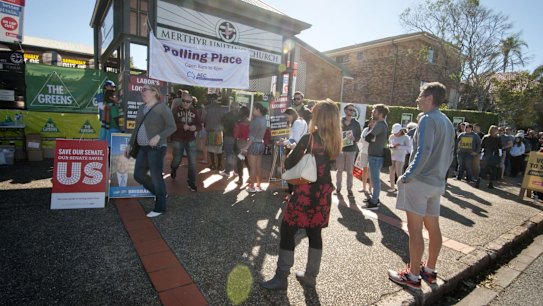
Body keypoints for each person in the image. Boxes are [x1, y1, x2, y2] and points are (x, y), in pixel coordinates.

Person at [260, 99, 342, 290]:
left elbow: (288, 164)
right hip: (323, 194)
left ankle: (281, 277)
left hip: (305, 192)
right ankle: (310, 276)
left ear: (320, 117)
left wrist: (291, 151)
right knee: (315, 233)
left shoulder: (309, 138)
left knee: (288, 229)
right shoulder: (336, 141)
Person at [388, 82, 455, 290]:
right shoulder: (447, 122)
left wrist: (407, 175)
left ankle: (414, 275)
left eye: (420, 95)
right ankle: (429, 269)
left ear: (428, 98)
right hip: (436, 182)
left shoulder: (427, 119)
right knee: (433, 227)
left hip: (420, 181)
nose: (417, 99)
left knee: (415, 229)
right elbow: (450, 155)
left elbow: (422, 151)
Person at [125, 84, 176, 218]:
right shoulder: (142, 108)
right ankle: (160, 194)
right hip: (143, 147)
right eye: (141, 90)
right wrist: (130, 144)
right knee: (138, 175)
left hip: (157, 147)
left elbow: (172, 127)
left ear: (154, 92)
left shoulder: (162, 107)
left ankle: (160, 207)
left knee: (156, 175)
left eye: (145, 89)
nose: (142, 92)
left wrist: (159, 136)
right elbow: (136, 128)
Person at [170, 90, 201, 192]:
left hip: (190, 139)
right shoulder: (175, 110)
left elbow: (199, 125)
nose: (186, 103)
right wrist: (181, 126)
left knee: (192, 162)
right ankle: (173, 169)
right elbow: (170, 124)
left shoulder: (194, 111)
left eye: (188, 102)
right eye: (184, 101)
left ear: (192, 102)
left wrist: (194, 128)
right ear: (181, 100)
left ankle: (191, 182)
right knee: (177, 160)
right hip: (178, 139)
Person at [361, 104, 389, 210]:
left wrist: (368, 136)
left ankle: (374, 202)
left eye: (375, 111)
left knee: (375, 180)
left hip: (376, 156)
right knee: (374, 178)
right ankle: (374, 199)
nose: (372, 112)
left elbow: (368, 137)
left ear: (381, 114)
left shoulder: (380, 125)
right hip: (375, 156)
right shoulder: (381, 124)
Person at [241, 102, 268, 193]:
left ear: (258, 109)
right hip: (261, 143)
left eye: (253, 109)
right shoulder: (263, 119)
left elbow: (252, 136)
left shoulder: (257, 121)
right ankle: (258, 186)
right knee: (258, 166)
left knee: (252, 167)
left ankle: (252, 187)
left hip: (254, 145)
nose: (252, 111)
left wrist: (246, 147)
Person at [280, 108, 308, 195]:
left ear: (291, 115)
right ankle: (294, 190)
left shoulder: (296, 123)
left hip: (296, 150)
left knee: (289, 169)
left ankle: (291, 191)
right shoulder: (302, 121)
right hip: (301, 149)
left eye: (287, 117)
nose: (286, 119)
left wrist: (283, 142)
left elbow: (295, 139)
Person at [335, 103, 362, 196]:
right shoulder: (339, 121)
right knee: (339, 170)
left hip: (351, 150)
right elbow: (334, 134)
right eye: (350, 109)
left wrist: (354, 139)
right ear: (345, 110)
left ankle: (349, 189)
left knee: (350, 171)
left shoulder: (356, 123)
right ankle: (338, 189)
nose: (351, 111)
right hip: (340, 149)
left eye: (353, 110)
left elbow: (359, 137)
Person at [388, 123, 412, 192]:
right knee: (391, 172)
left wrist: (399, 147)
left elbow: (409, 148)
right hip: (392, 155)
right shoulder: (391, 137)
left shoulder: (406, 137)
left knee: (399, 172)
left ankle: (400, 188)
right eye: (394, 132)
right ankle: (392, 187)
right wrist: (391, 146)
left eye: (397, 132)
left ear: (401, 130)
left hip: (401, 156)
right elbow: (389, 144)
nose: (395, 134)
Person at [203, 93, 224, 170]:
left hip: (210, 131)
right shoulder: (221, 108)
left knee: (211, 149)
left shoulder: (206, 108)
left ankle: (213, 164)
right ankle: (219, 165)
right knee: (219, 149)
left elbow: (203, 119)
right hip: (219, 131)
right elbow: (223, 120)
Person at [220, 101, 241, 177]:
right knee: (236, 154)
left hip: (229, 136)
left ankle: (227, 171)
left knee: (228, 154)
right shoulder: (240, 116)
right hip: (237, 138)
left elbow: (222, 124)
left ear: (231, 107)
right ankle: (236, 171)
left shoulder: (228, 115)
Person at [233, 106, 251, 185]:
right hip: (248, 144)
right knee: (248, 162)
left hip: (240, 144)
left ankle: (240, 179)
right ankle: (251, 178)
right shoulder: (250, 123)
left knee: (240, 163)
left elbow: (236, 135)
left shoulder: (239, 124)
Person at [357, 119, 374, 194]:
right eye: (371, 122)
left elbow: (374, 141)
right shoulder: (365, 129)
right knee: (364, 170)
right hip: (364, 152)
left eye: (374, 122)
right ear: (369, 123)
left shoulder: (376, 131)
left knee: (371, 171)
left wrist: (366, 140)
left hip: (372, 153)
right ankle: (364, 187)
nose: (372, 123)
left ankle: (370, 188)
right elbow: (361, 140)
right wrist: (367, 140)